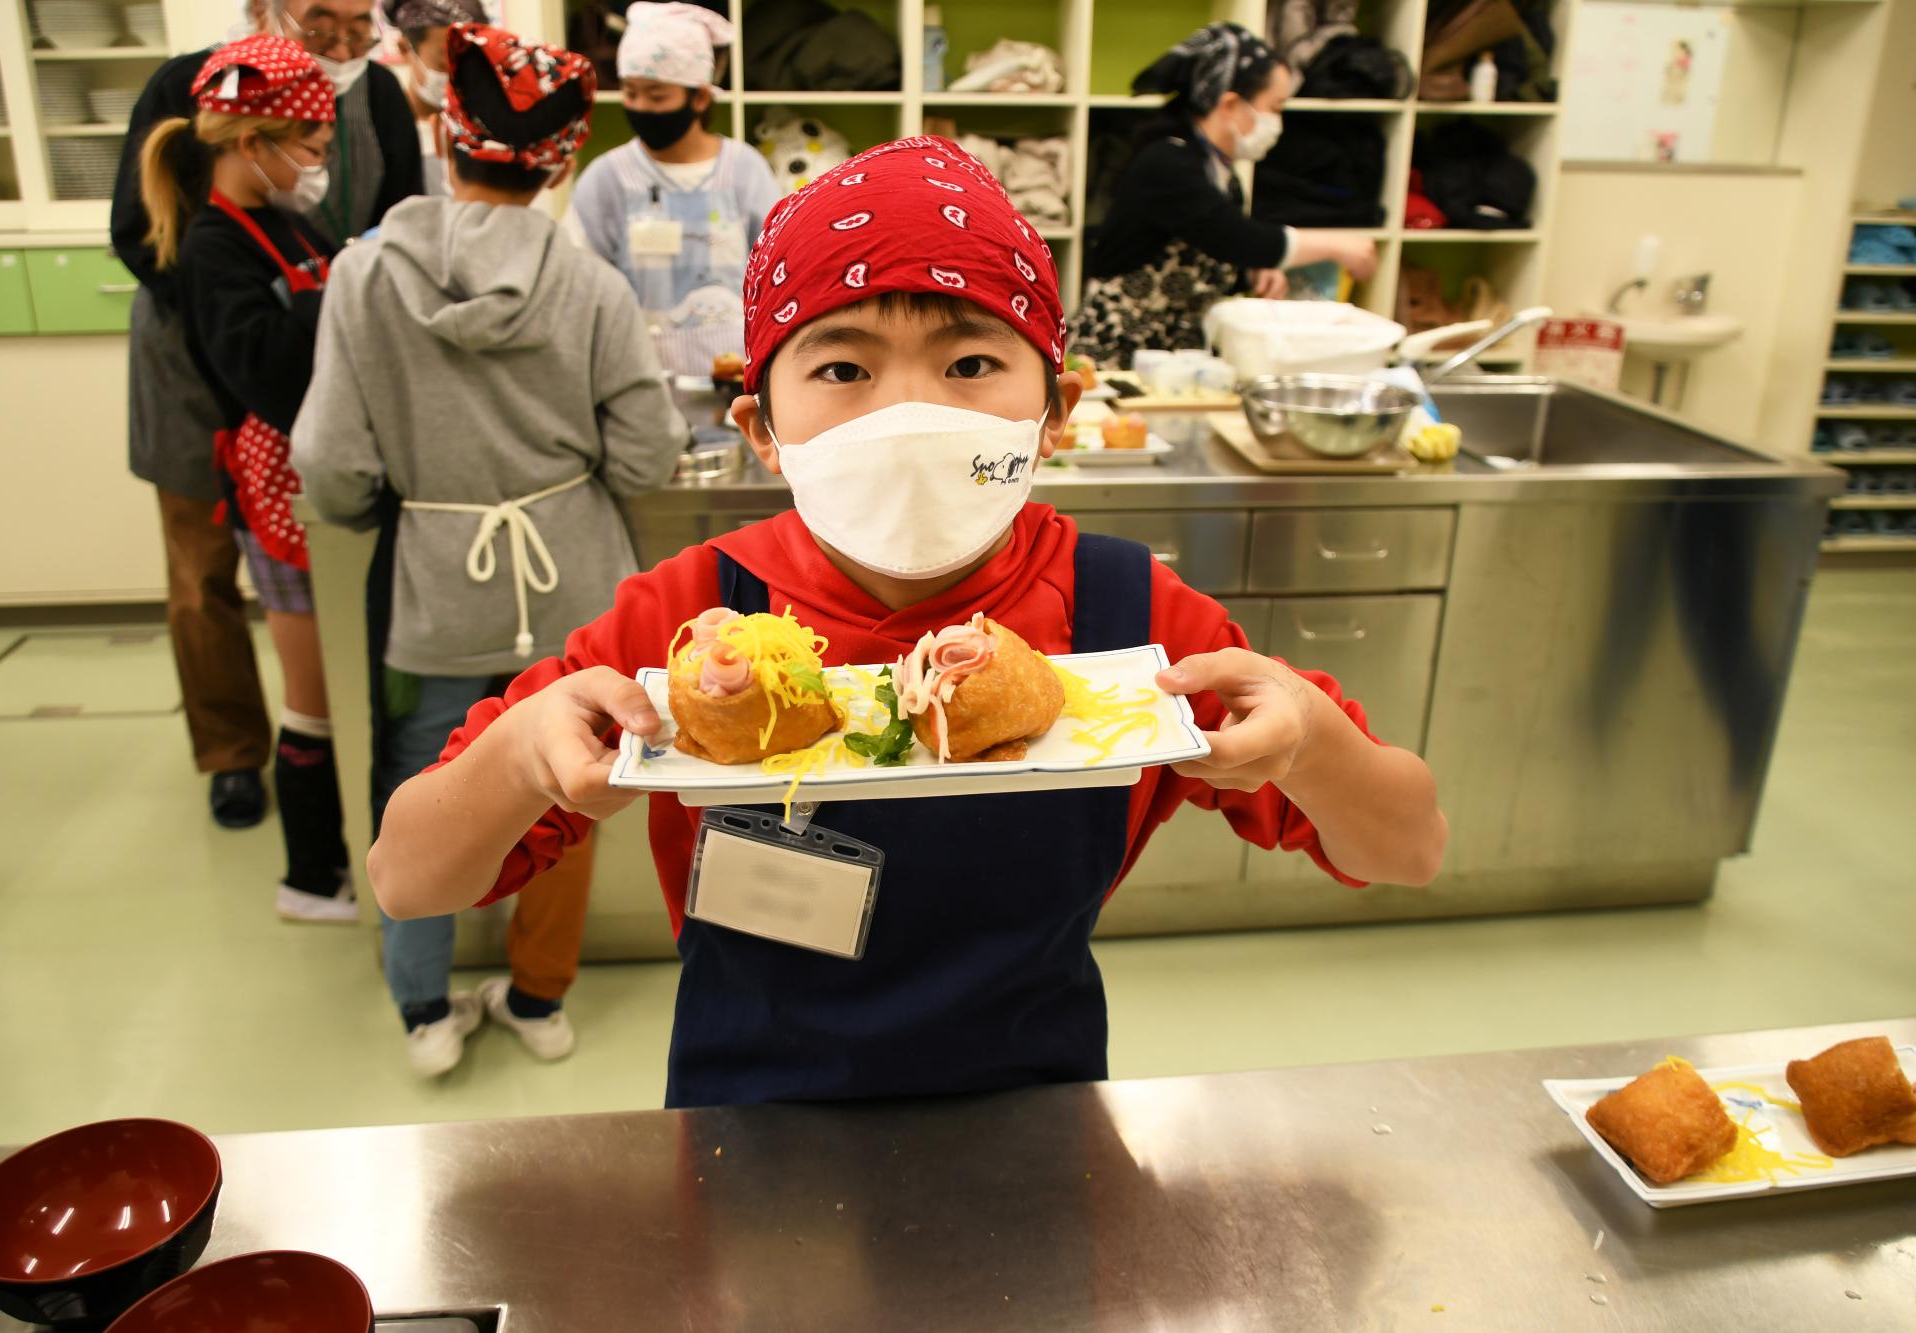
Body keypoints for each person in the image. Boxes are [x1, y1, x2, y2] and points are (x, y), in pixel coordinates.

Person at [367, 136, 1448, 1110]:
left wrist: (1309, 742)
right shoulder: (690, 626)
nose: (904, 414)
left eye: (969, 364)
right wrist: (521, 752)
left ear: (1056, 410)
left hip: (1032, 1111)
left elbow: (1405, 847)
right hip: (751, 1115)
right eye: (841, 368)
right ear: (761, 427)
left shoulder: (1134, 618)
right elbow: (410, 879)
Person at [293, 23, 688, 1075]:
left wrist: (414, 496)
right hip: (573, 588)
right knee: (572, 784)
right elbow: (647, 458)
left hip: (435, 580)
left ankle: (424, 1013)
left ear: (440, 126)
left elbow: (328, 469)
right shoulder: (591, 285)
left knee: (422, 798)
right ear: (561, 160)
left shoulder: (364, 276)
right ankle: (539, 996)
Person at [110, 0, 423, 830]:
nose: (345, 43)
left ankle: (332, 789)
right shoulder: (193, 99)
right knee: (205, 571)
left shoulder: (374, 99)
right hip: (209, 365)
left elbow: (401, 217)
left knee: (317, 633)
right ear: (266, 11)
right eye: (324, 21)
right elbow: (153, 242)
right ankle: (232, 757)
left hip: (290, 367)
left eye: (363, 27)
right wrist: (284, 306)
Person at [136, 35, 353, 923]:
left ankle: (339, 857)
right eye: (309, 150)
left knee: (337, 682)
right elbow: (262, 371)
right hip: (275, 496)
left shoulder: (287, 222)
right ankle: (308, 877)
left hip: (313, 480)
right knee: (313, 699)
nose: (318, 168)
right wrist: (328, 300)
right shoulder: (215, 246)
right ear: (249, 142)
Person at [1070, 23, 1381, 367]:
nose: (1277, 122)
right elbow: (1235, 237)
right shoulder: (1166, 163)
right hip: (1117, 348)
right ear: (1231, 104)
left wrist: (1246, 275)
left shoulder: (1220, 172)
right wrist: (1339, 246)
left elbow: (1201, 255)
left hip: (1171, 353)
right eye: (1274, 107)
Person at [567, 1, 781, 375]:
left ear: (699, 97)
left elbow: (779, 273)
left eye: (657, 95)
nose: (640, 107)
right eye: (631, 93)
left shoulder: (744, 171)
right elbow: (578, 281)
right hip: (636, 376)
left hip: (735, 377)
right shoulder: (608, 178)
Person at [381, 0, 486, 196]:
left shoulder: (489, 130)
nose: (460, 73)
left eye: (471, 60)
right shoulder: (383, 131)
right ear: (405, 49)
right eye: (445, 61)